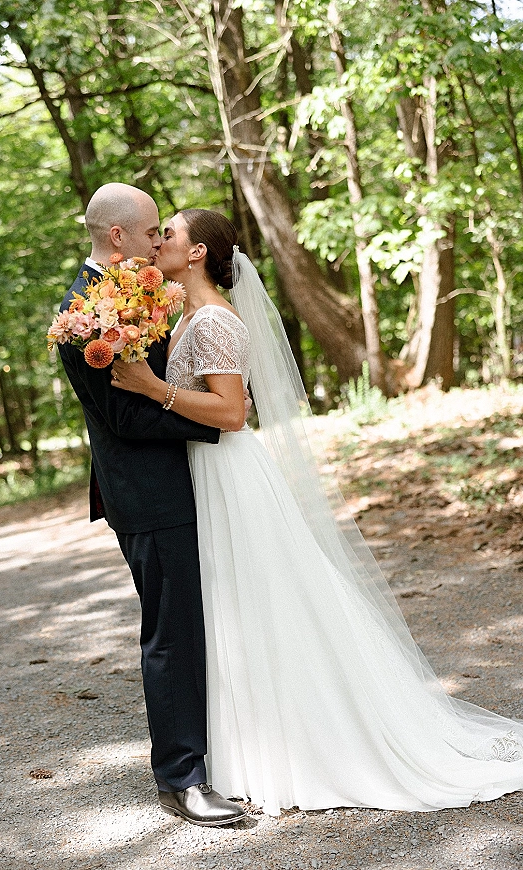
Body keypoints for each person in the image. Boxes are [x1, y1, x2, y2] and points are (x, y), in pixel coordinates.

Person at [111, 208, 523, 816]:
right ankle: (243, 742)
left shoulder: (216, 320)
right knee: (230, 605)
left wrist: (152, 389)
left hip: (228, 471)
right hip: (202, 473)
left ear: (197, 252)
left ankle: (308, 741)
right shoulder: (186, 315)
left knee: (263, 601)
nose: (157, 241)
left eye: (167, 233)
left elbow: (230, 413)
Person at [57, 185, 246, 826]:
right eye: (151, 231)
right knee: (171, 634)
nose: (157, 240)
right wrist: (215, 424)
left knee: (196, 623)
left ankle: (216, 753)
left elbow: (177, 378)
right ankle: (182, 778)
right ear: (119, 237)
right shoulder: (82, 315)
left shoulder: (134, 296)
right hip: (148, 492)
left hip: (186, 484)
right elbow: (124, 416)